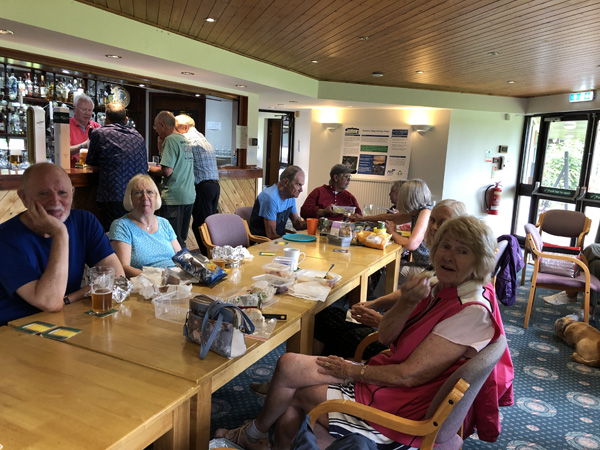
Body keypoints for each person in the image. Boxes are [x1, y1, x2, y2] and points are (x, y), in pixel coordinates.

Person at [216, 215, 501, 450]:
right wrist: (407, 301)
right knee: (288, 364)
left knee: (293, 395)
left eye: (463, 251)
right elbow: (388, 338)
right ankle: (258, 437)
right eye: (446, 246)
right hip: (388, 377)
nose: (449, 256)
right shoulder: (442, 285)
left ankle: (255, 437)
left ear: (480, 260)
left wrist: (352, 371)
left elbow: (409, 376)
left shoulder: (472, 310)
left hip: (402, 406)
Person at [313, 199, 468, 360]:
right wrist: (375, 303)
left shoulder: (451, 277)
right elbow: (406, 294)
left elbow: (422, 336)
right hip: (395, 329)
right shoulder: (439, 264)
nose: (434, 227)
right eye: (433, 221)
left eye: (442, 222)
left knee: (334, 335)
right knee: (327, 316)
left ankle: (318, 373)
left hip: (398, 346)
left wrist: (379, 320)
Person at [0, 163, 124, 326]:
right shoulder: (5, 238)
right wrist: (60, 234)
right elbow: (50, 303)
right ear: (24, 198)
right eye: (43, 193)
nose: (55, 201)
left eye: (62, 193)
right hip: (14, 329)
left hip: (63, 318)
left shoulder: (85, 221)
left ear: (72, 193)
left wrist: (68, 299)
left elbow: (116, 276)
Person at [86, 102, 148, 231]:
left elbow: (92, 164)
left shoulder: (99, 133)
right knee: (134, 232)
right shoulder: (138, 136)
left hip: (113, 195)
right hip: (138, 195)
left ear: (106, 118)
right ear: (126, 119)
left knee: (114, 233)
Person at [109, 175, 181, 277]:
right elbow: (123, 268)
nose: (145, 197)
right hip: (145, 285)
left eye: (149, 192)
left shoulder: (164, 223)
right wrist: (157, 278)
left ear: (156, 197)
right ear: (130, 198)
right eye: (138, 193)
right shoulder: (121, 226)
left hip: (176, 280)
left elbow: (181, 257)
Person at [149, 111, 195, 247]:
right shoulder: (183, 139)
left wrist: (147, 169)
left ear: (161, 125)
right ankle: (184, 266)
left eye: (155, 127)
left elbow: (167, 170)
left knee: (172, 241)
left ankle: (176, 267)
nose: (156, 131)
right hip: (188, 196)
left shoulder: (169, 140)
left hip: (174, 197)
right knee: (181, 238)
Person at [174, 114, 219, 255]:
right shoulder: (201, 137)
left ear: (185, 127)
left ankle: (209, 257)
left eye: (176, 128)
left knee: (201, 226)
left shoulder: (187, 139)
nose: (173, 131)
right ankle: (211, 255)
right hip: (214, 186)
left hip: (202, 186)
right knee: (207, 224)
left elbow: (178, 162)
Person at [249, 165, 307, 239]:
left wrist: (317, 223)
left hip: (278, 241)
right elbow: (271, 235)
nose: (301, 190)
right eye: (298, 184)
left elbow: (297, 224)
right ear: (285, 182)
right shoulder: (270, 197)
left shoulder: (290, 196)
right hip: (261, 243)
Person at [69, 93, 100, 167]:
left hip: (92, 172)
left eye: (89, 110)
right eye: (84, 109)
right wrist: (84, 145)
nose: (87, 113)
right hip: (72, 172)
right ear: (75, 109)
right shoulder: (66, 125)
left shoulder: (97, 126)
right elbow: (63, 151)